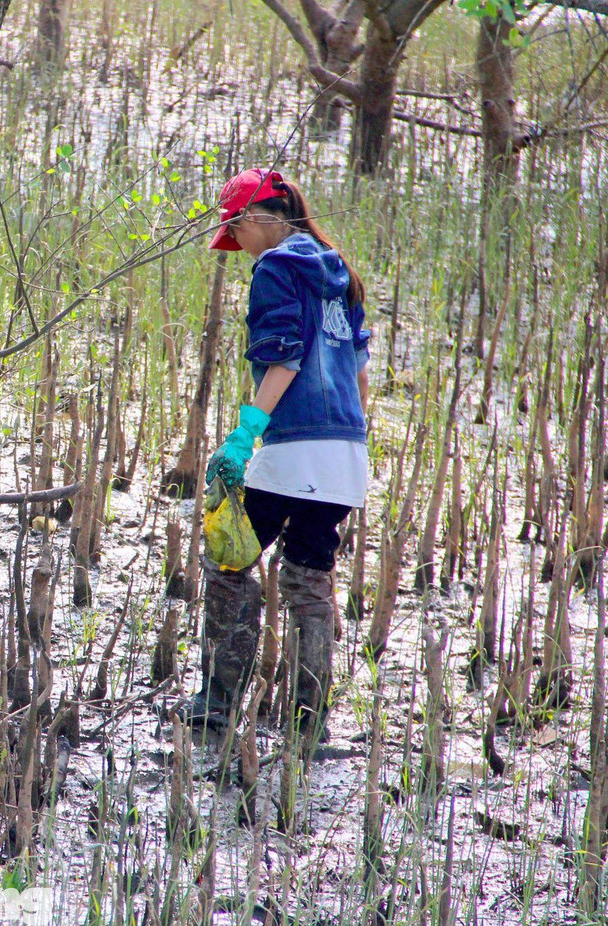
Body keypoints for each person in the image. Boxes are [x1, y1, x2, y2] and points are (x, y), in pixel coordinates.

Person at [178, 168, 370, 738]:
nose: (236, 246)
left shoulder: (275, 267)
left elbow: (283, 358)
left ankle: (217, 701)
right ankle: (309, 718)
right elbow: (360, 375)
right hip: (345, 453)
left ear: (257, 217)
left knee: (229, 560)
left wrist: (245, 433)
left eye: (235, 232)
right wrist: (350, 441)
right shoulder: (341, 272)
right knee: (310, 577)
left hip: (295, 446)